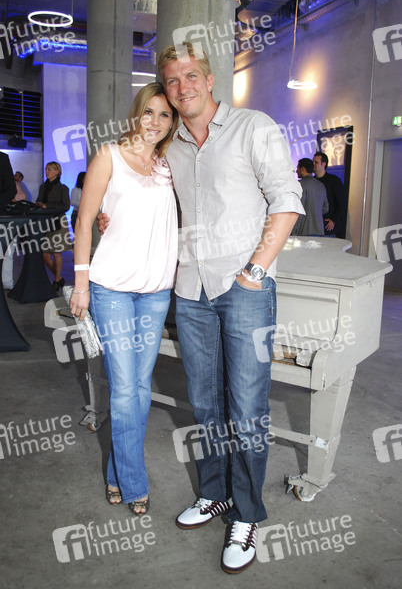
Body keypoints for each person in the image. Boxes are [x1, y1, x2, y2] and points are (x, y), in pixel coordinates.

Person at [99, 43, 304, 573]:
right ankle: (214, 492)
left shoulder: (254, 127)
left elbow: (287, 201)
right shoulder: (171, 147)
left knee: (248, 406)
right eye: (172, 80)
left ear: (210, 80)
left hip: (245, 289)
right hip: (190, 292)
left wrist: (255, 270)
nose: (182, 87)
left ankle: (247, 514)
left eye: (191, 76)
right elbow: (139, 193)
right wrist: (107, 217)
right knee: (206, 405)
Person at [69, 82, 179, 516]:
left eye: (165, 115)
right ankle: (135, 484)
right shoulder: (108, 156)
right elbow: (84, 222)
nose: (156, 122)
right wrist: (81, 283)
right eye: (149, 112)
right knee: (125, 389)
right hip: (111, 287)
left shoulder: (168, 166)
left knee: (140, 389)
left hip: (155, 293)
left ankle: (116, 474)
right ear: (137, 112)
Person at [36, 162, 71, 290]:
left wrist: (47, 206)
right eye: (46, 169)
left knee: (56, 252)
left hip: (58, 222)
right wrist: (39, 205)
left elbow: (65, 206)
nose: (47, 172)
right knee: (45, 255)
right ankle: (59, 277)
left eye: (49, 169)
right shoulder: (43, 187)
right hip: (45, 221)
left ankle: (56, 280)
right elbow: (39, 200)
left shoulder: (63, 188)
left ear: (57, 171)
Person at [313, 151, 348, 238]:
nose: (313, 164)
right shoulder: (312, 182)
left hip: (328, 226)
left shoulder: (333, 181)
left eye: (316, 162)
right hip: (314, 226)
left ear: (323, 164)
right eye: (313, 162)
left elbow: (342, 202)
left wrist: (334, 219)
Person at [292, 157, 328, 236]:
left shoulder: (299, 185)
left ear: (303, 169)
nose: (296, 171)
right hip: (319, 231)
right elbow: (325, 208)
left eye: (298, 168)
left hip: (303, 232)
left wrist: (293, 232)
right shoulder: (321, 185)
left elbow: (298, 211)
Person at [0, 151, 17, 290]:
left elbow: (11, 188)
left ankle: (7, 282)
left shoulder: (2, 158)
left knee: (6, 252)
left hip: (2, 215)